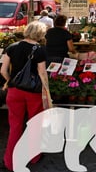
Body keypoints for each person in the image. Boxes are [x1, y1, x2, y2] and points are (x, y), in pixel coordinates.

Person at [1, 21, 52, 171]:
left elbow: (3, 70)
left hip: (14, 91)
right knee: (34, 124)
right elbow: (42, 73)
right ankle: (34, 156)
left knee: (15, 127)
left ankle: (10, 162)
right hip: (33, 93)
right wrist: (46, 90)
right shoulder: (40, 50)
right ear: (40, 34)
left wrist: (10, 81)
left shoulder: (11, 47)